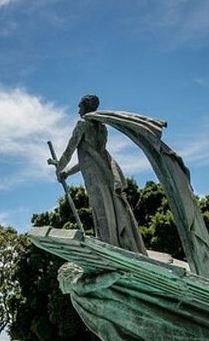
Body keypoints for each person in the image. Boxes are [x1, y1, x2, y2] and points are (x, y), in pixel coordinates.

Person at [49, 94, 146, 254]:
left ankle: (109, 247)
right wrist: (66, 173)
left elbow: (70, 150)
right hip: (105, 172)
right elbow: (90, 159)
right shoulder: (102, 128)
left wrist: (59, 167)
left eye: (80, 106)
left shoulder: (82, 124)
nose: (78, 109)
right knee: (110, 209)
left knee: (102, 210)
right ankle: (114, 243)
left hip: (95, 178)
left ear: (86, 107)